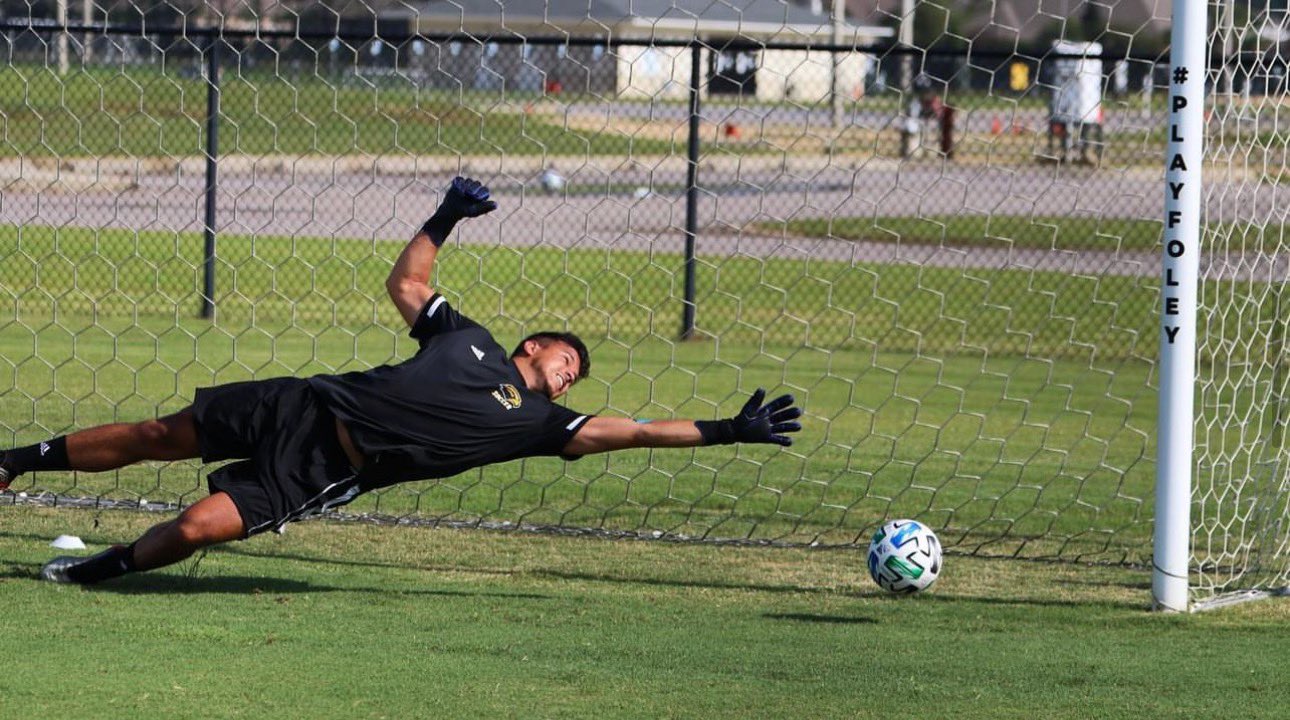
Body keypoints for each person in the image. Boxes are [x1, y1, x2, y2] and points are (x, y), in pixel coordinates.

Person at [1, 176, 803, 585]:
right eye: (568, 359)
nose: (571, 374)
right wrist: (445, 215)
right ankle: (17, 460)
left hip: (323, 470)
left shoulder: (541, 425)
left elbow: (631, 432)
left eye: (576, 375)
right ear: (536, 343)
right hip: (303, 403)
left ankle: (100, 570)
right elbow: (409, 286)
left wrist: (729, 429)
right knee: (155, 435)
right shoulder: (470, 341)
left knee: (196, 526)